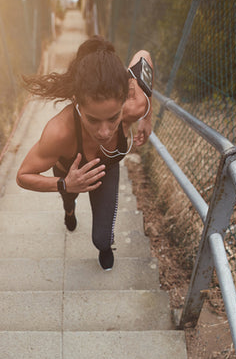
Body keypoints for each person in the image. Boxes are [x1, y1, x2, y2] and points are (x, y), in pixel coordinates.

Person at [16, 35, 153, 270]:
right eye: (92, 119)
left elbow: (143, 55)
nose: (104, 132)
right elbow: (22, 176)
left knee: (101, 238)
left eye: (113, 118)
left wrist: (146, 119)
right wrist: (64, 184)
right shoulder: (60, 132)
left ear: (124, 101)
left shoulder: (135, 104)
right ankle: (69, 210)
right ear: (77, 102)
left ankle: (105, 247)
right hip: (68, 174)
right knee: (69, 199)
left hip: (105, 169)